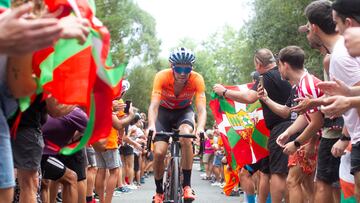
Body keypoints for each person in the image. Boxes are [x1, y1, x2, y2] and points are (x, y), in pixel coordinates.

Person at [213, 48, 292, 203]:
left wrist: (224, 92)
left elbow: (249, 97)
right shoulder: (285, 75)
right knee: (285, 175)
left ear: (258, 64)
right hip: (296, 126)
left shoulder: (266, 77)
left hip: (280, 129)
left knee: (276, 174)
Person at [147, 47, 207, 203]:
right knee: (159, 153)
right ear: (171, 66)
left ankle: (187, 185)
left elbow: (201, 109)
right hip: (163, 114)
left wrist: (200, 128)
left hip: (184, 113)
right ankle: (159, 191)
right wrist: (152, 125)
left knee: (186, 137)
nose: (182, 73)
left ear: (191, 69)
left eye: (186, 69)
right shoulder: (161, 76)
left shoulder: (197, 79)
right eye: (178, 68)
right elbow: (154, 105)